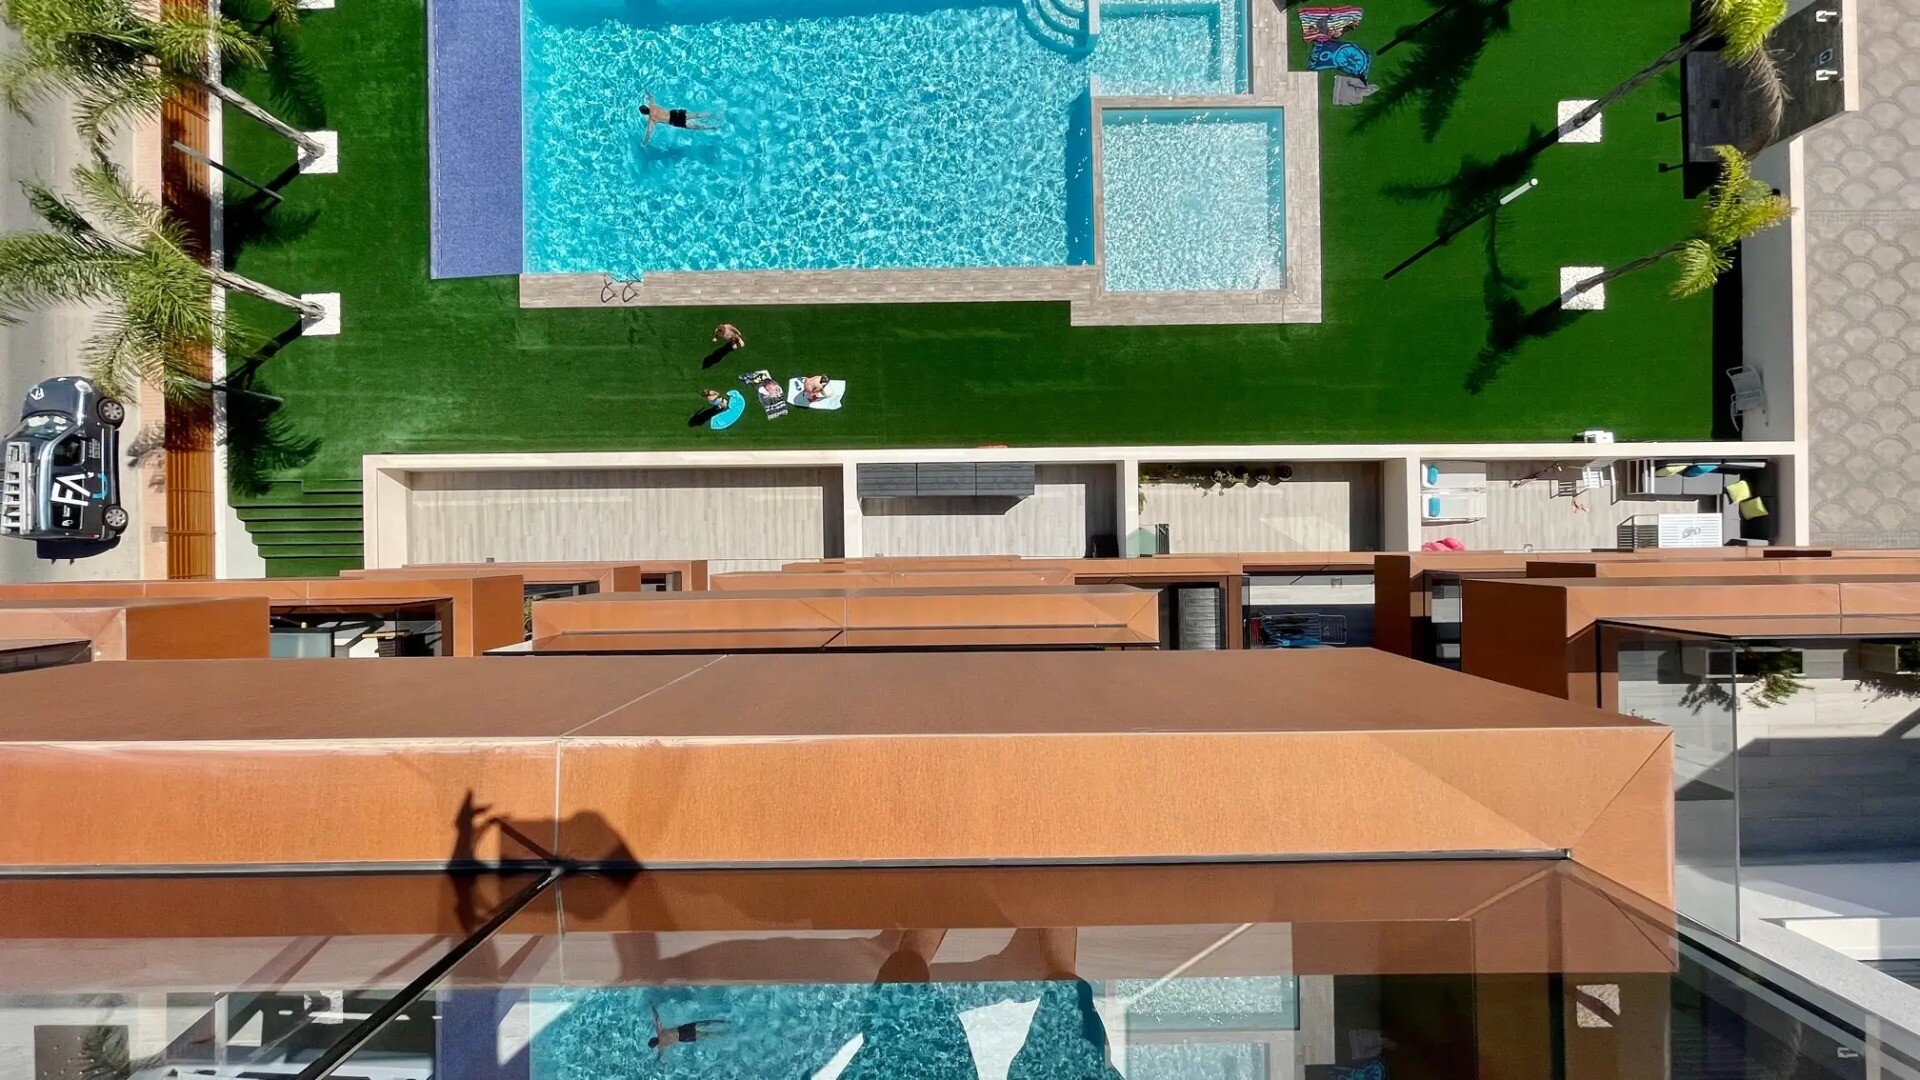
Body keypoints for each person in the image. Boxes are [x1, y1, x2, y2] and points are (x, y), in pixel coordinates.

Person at [640, 92, 716, 144]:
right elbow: (651, 97)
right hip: (675, 113)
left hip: (674, 121)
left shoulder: (652, 119)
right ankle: (712, 115)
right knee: (696, 115)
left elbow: (649, 133)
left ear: (644, 113)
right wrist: (647, 92)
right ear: (647, 107)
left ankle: (713, 127)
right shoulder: (652, 105)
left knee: (697, 127)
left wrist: (644, 144)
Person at [648, 1005, 728, 1054]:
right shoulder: (660, 1032)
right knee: (704, 1023)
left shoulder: (661, 1046)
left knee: (705, 1034)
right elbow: (657, 1019)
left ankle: (722, 1034)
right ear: (653, 1038)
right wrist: (653, 1008)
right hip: (682, 1030)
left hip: (683, 1038)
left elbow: (659, 1056)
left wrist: (656, 1061)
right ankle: (723, 1022)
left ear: (656, 1045)